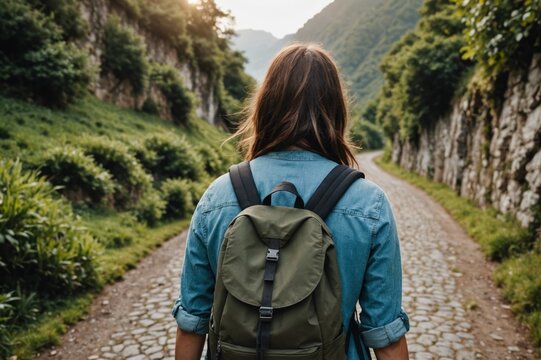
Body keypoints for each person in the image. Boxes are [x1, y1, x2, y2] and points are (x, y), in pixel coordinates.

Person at [172, 43, 409, 360]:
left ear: (265, 106)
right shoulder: (369, 205)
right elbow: (385, 335)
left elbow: (192, 322)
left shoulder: (218, 196)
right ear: (336, 110)